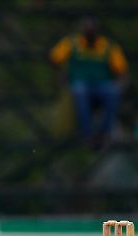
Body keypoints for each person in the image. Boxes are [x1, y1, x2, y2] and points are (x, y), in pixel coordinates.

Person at [49, 16, 129, 147]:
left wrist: (121, 85)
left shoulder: (108, 47)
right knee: (80, 90)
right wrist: (62, 74)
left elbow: (122, 71)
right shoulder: (72, 43)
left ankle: (105, 132)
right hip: (79, 84)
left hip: (102, 86)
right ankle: (86, 133)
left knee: (113, 91)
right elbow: (54, 59)